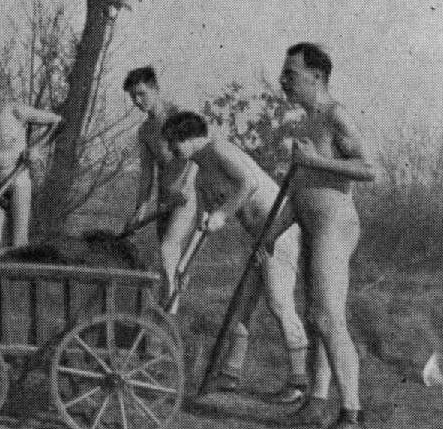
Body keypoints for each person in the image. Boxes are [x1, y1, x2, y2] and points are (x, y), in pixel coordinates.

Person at [161, 111, 309, 403]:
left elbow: (249, 183)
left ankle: (299, 382)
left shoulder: (219, 149)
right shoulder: (201, 175)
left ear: (188, 139)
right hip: (259, 238)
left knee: (278, 303)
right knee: (241, 305)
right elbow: (204, 222)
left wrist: (223, 213)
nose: (170, 150)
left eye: (173, 143)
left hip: (279, 230)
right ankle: (230, 375)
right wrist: (184, 264)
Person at [276, 42, 376, 429]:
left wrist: (314, 161)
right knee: (316, 315)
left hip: (334, 226)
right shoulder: (305, 123)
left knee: (328, 317)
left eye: (291, 74)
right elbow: (302, 188)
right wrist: (273, 232)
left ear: (317, 76)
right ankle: (316, 403)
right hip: (311, 225)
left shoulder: (335, 115)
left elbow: (367, 169)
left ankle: (351, 417)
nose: (284, 81)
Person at [122, 67, 198, 314]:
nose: (137, 101)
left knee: (168, 250)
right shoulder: (145, 131)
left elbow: (198, 155)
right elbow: (147, 175)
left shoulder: (179, 116)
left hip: (188, 197)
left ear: (155, 89)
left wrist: (185, 186)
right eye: (133, 96)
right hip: (165, 201)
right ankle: (168, 315)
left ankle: (170, 317)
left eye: (142, 94)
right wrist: (140, 210)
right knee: (167, 262)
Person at [0, 67, 62, 248]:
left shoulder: (17, 112)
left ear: (2, 93)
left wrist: (37, 148)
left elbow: (57, 121)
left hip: (18, 184)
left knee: (18, 245)